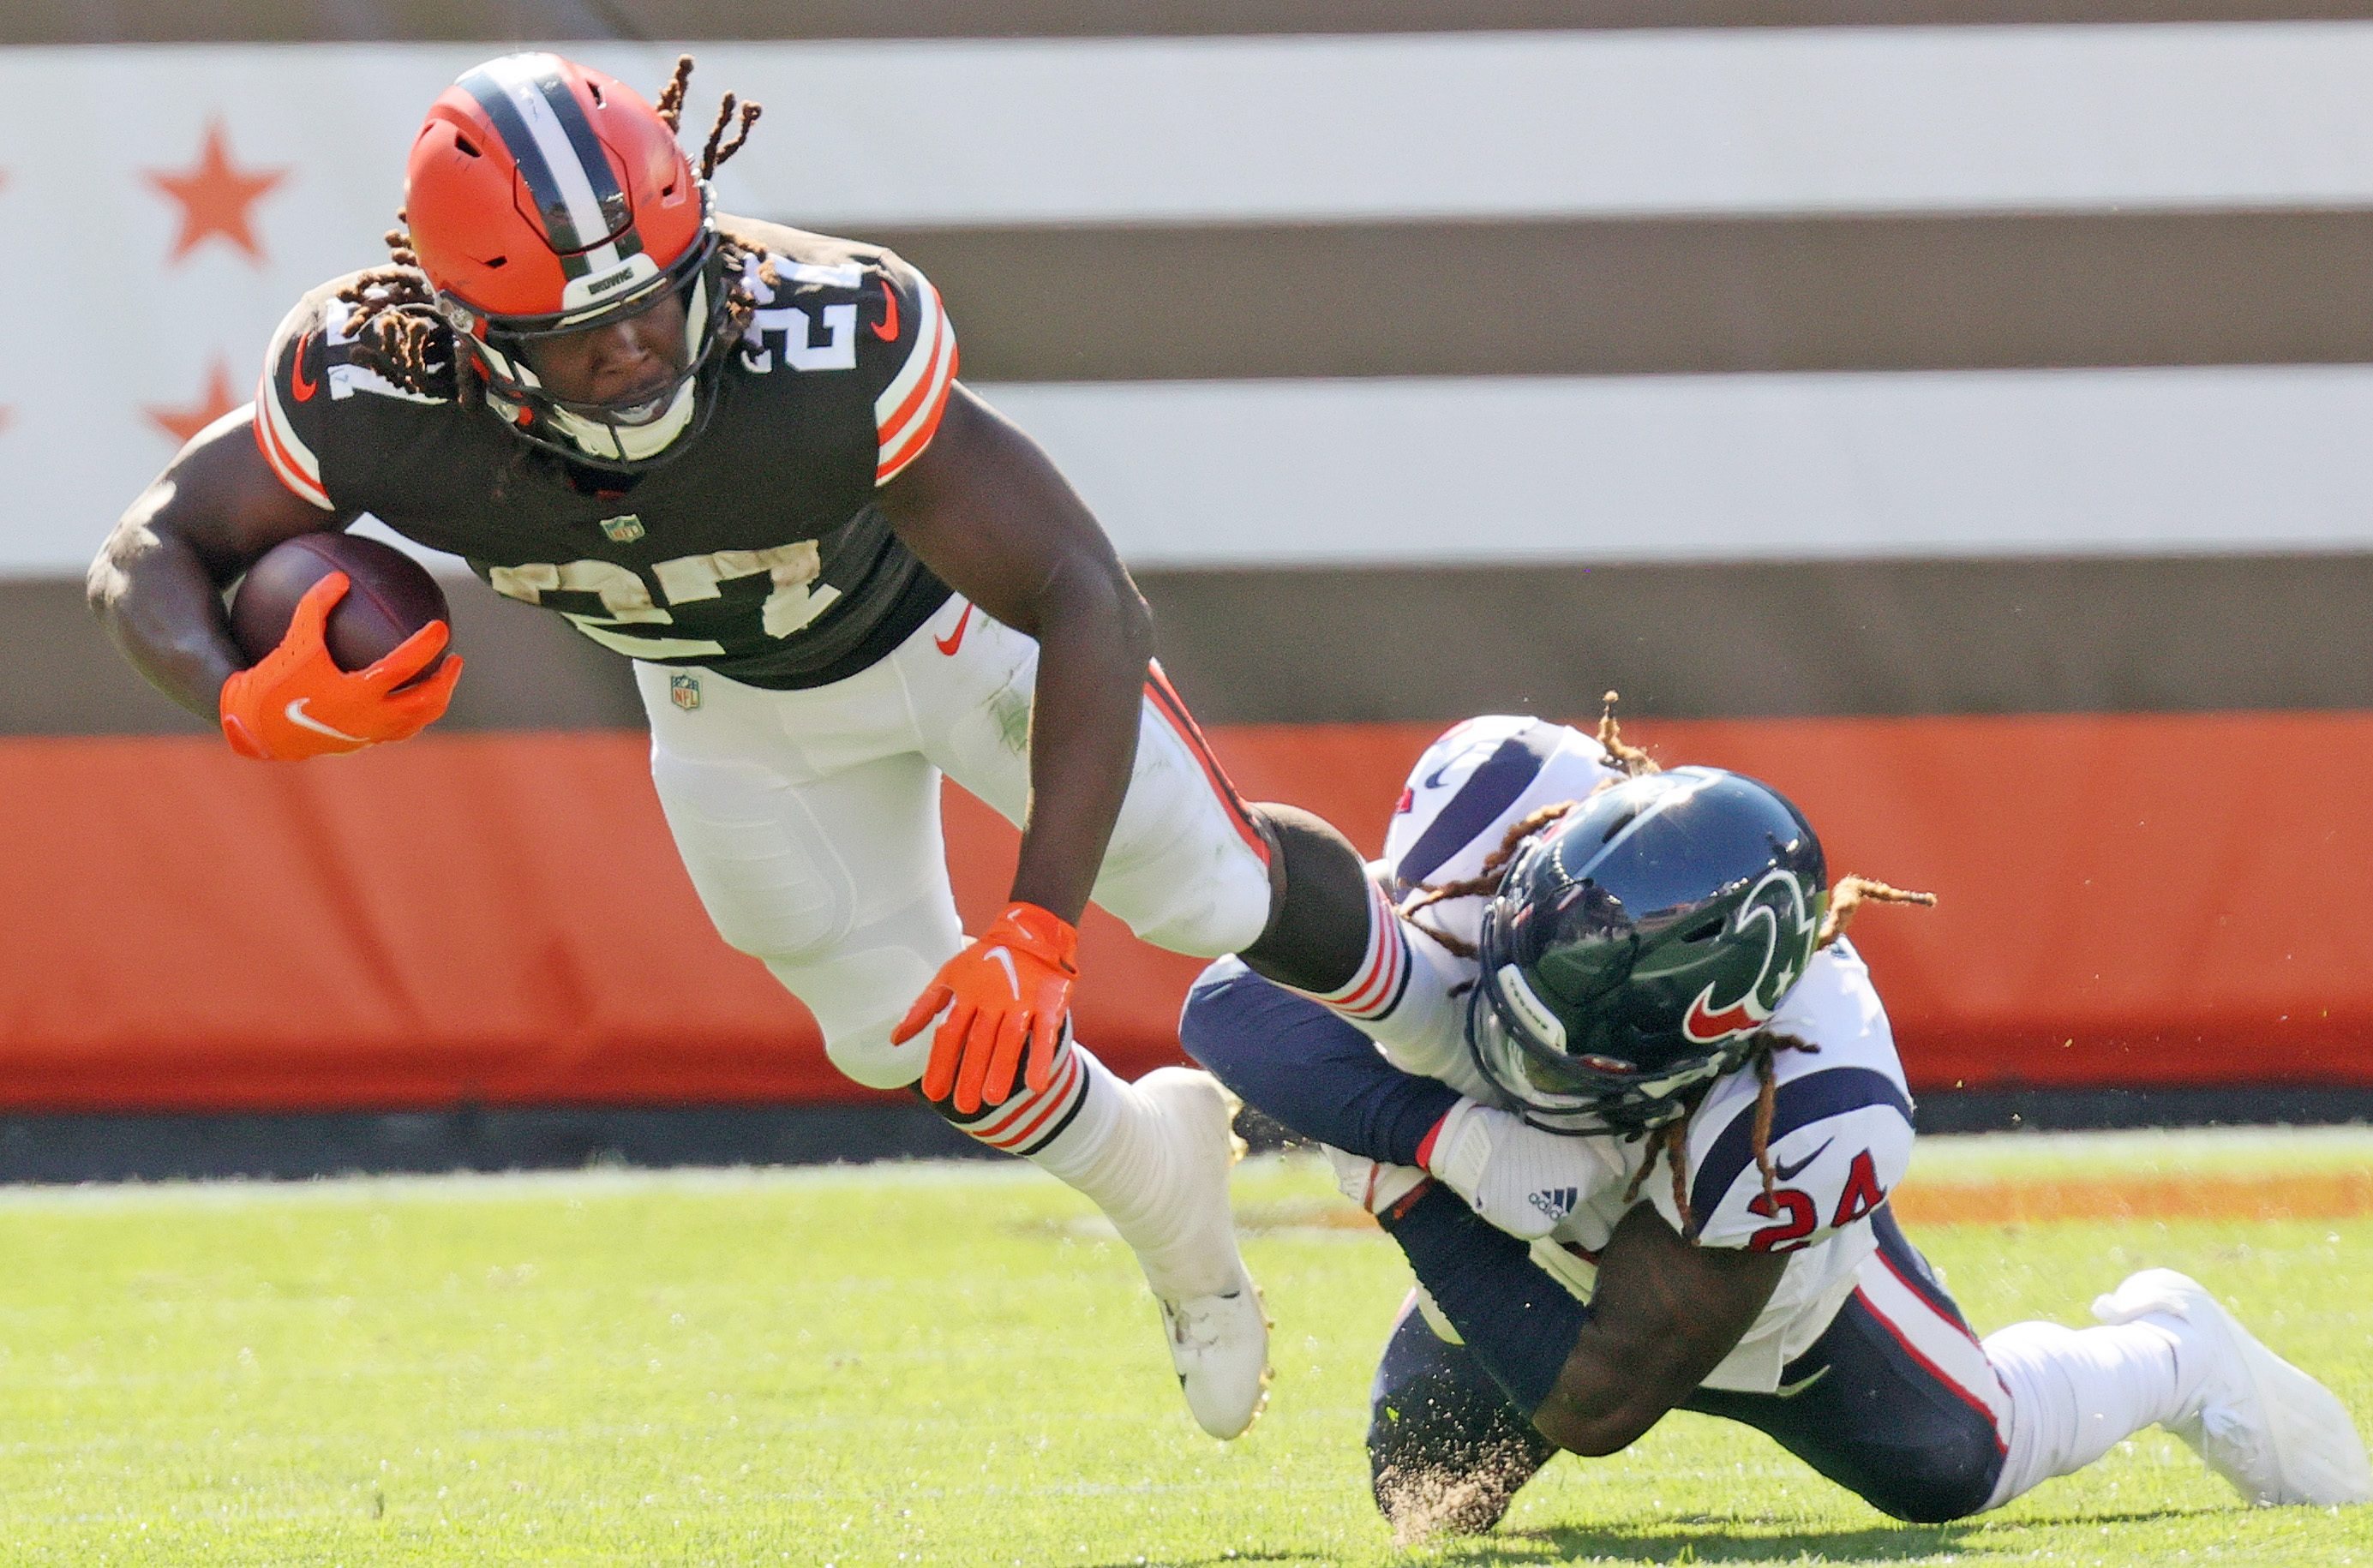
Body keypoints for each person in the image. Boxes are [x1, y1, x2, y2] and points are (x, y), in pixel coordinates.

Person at [87, 51, 1387, 1441]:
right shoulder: (374, 385)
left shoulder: (826, 329)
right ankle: (1160, 1190)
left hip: (950, 639)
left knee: (1204, 889)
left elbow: (1084, 595)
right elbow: (146, 545)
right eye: (577, 328)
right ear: (468, 332)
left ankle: (1434, 997)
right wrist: (233, 694)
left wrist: (1043, 930)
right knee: (891, 1028)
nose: (633, 343)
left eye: (650, 290)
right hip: (727, 699)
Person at [1178, 712, 2373, 1532]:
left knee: (1955, 1465)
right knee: (1424, 1497)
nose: (1516, 1061)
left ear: (1712, 1040)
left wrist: (1404, 1189)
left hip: (1742, 1292)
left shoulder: (1806, 1093)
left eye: (1566, 1053)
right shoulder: (1484, 831)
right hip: (1507, 1202)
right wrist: (1447, 1139)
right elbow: (1223, 1001)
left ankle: (2172, 1352)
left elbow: (1602, 1399)